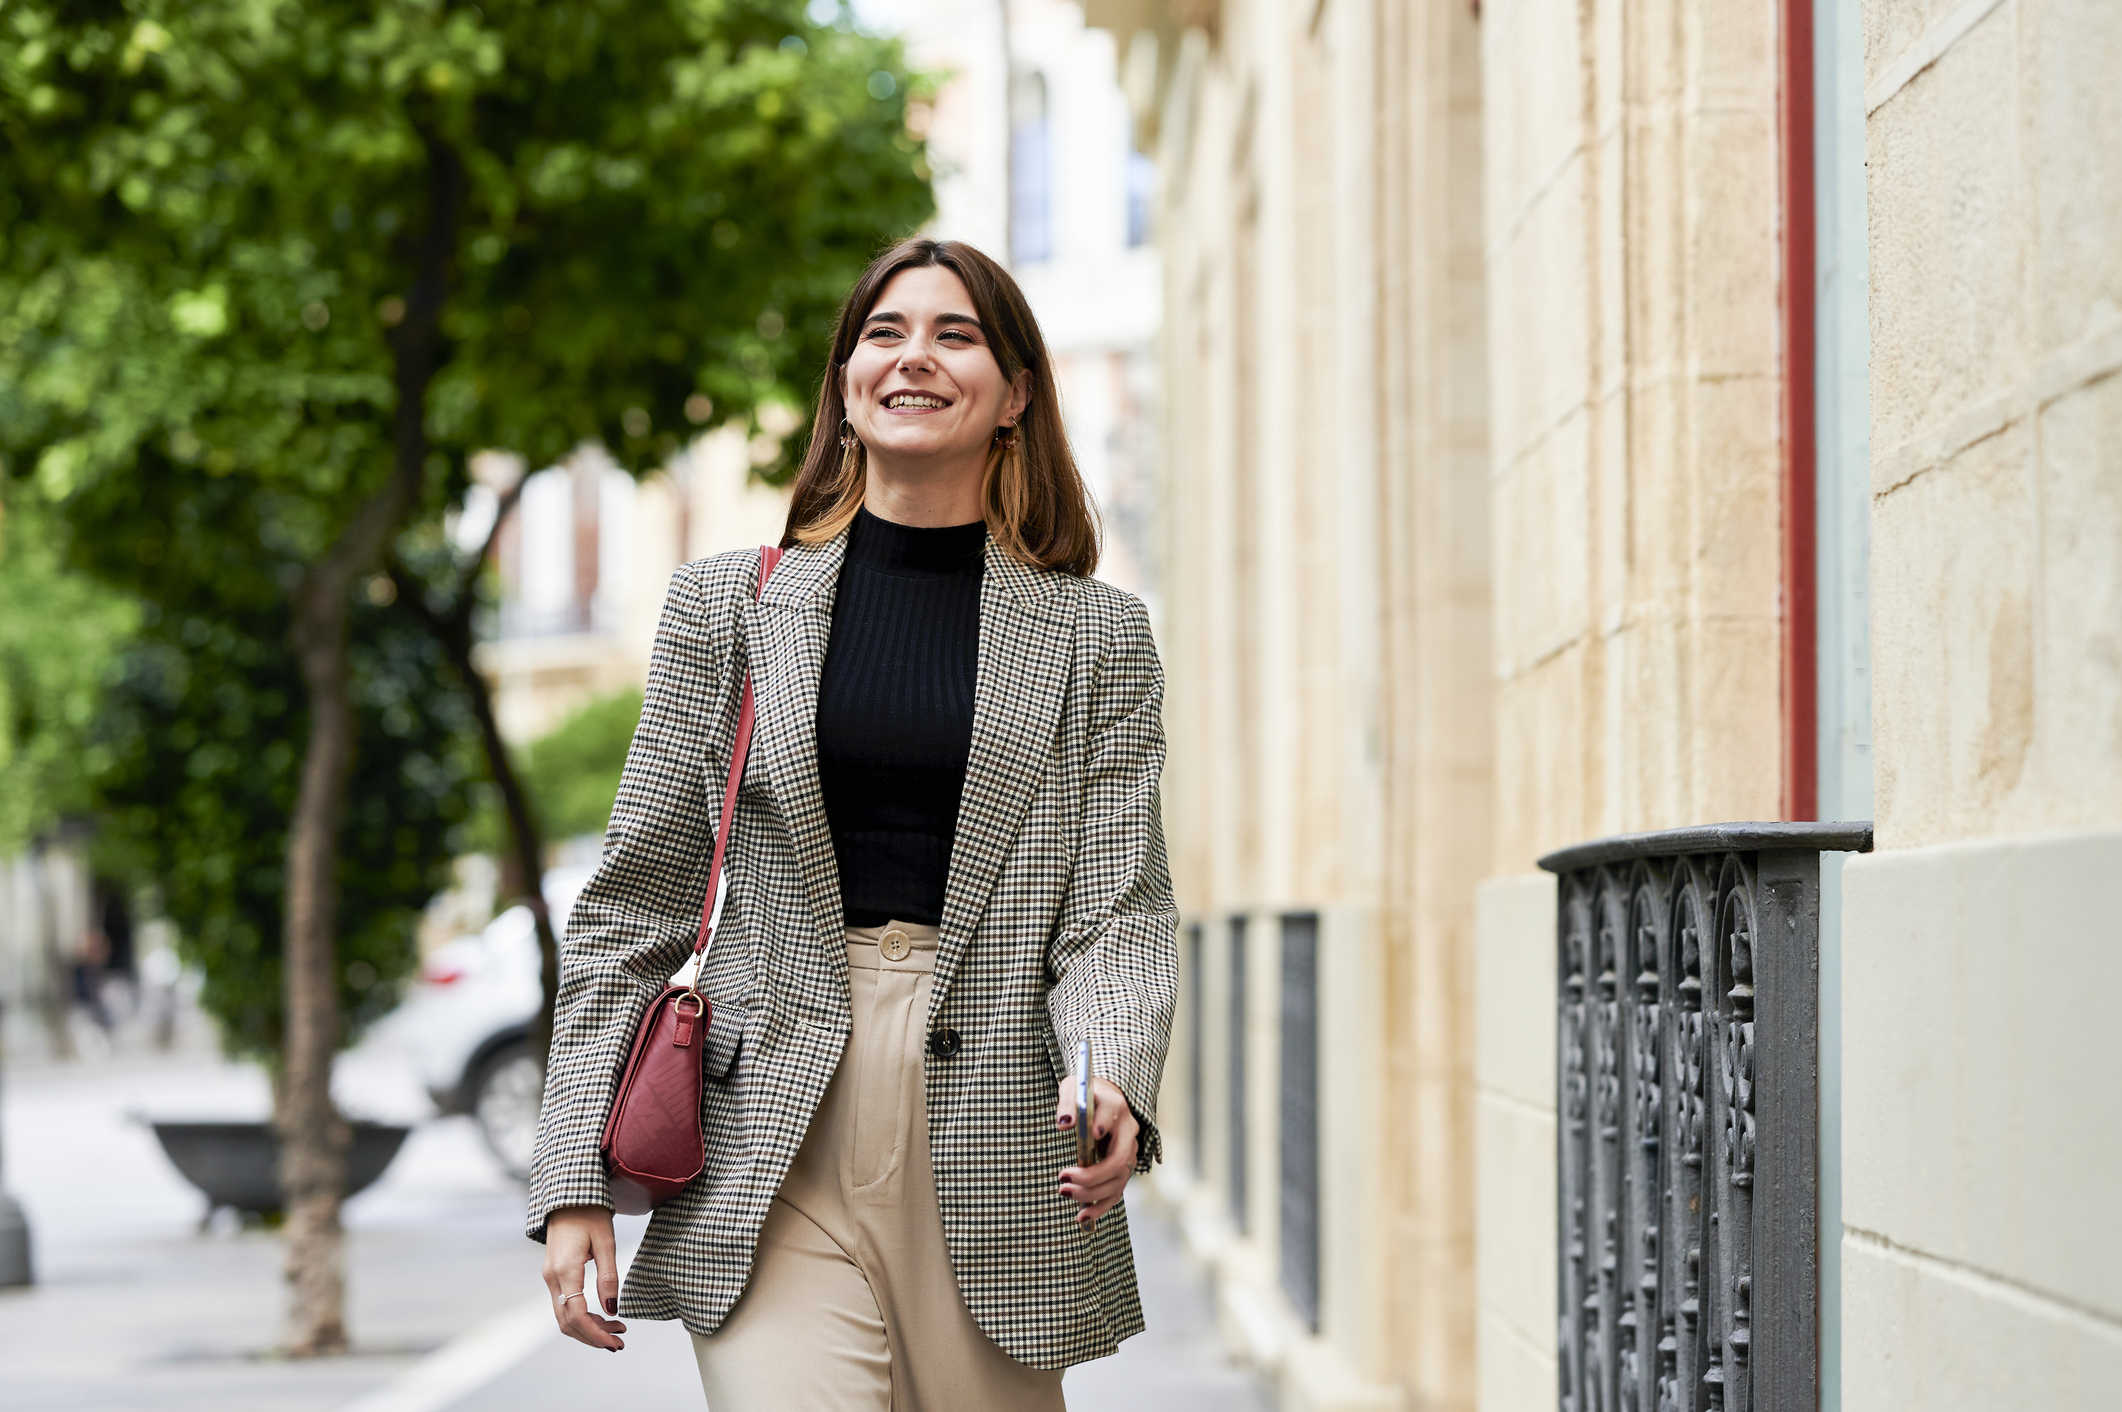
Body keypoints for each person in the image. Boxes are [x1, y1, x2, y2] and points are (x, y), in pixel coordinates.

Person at [529, 238, 1178, 1409]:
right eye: (884, 333)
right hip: (768, 1123)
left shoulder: (1098, 638)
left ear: (1015, 393)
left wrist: (1109, 1073)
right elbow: (633, 900)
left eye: (955, 334)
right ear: (844, 382)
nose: (913, 358)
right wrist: (574, 1172)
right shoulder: (730, 604)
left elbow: (1115, 910)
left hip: (997, 1131)